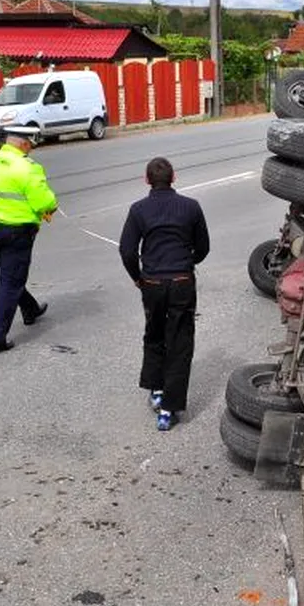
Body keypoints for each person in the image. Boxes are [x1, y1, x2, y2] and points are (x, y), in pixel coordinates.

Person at [118, 157, 210, 431]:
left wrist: (138, 278)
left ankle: (155, 388)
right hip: (181, 279)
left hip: (152, 283)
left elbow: (126, 251)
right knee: (180, 340)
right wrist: (187, 261)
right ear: (174, 177)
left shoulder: (138, 210)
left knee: (154, 333)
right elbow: (203, 247)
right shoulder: (191, 207)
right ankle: (169, 409)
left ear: (146, 180)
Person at [0, 126, 55, 353]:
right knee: (11, 283)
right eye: (30, 144)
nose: (30, 149)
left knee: (10, 274)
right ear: (23, 143)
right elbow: (44, 202)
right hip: (17, 231)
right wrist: (52, 205)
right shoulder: (27, 166)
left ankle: (30, 309)